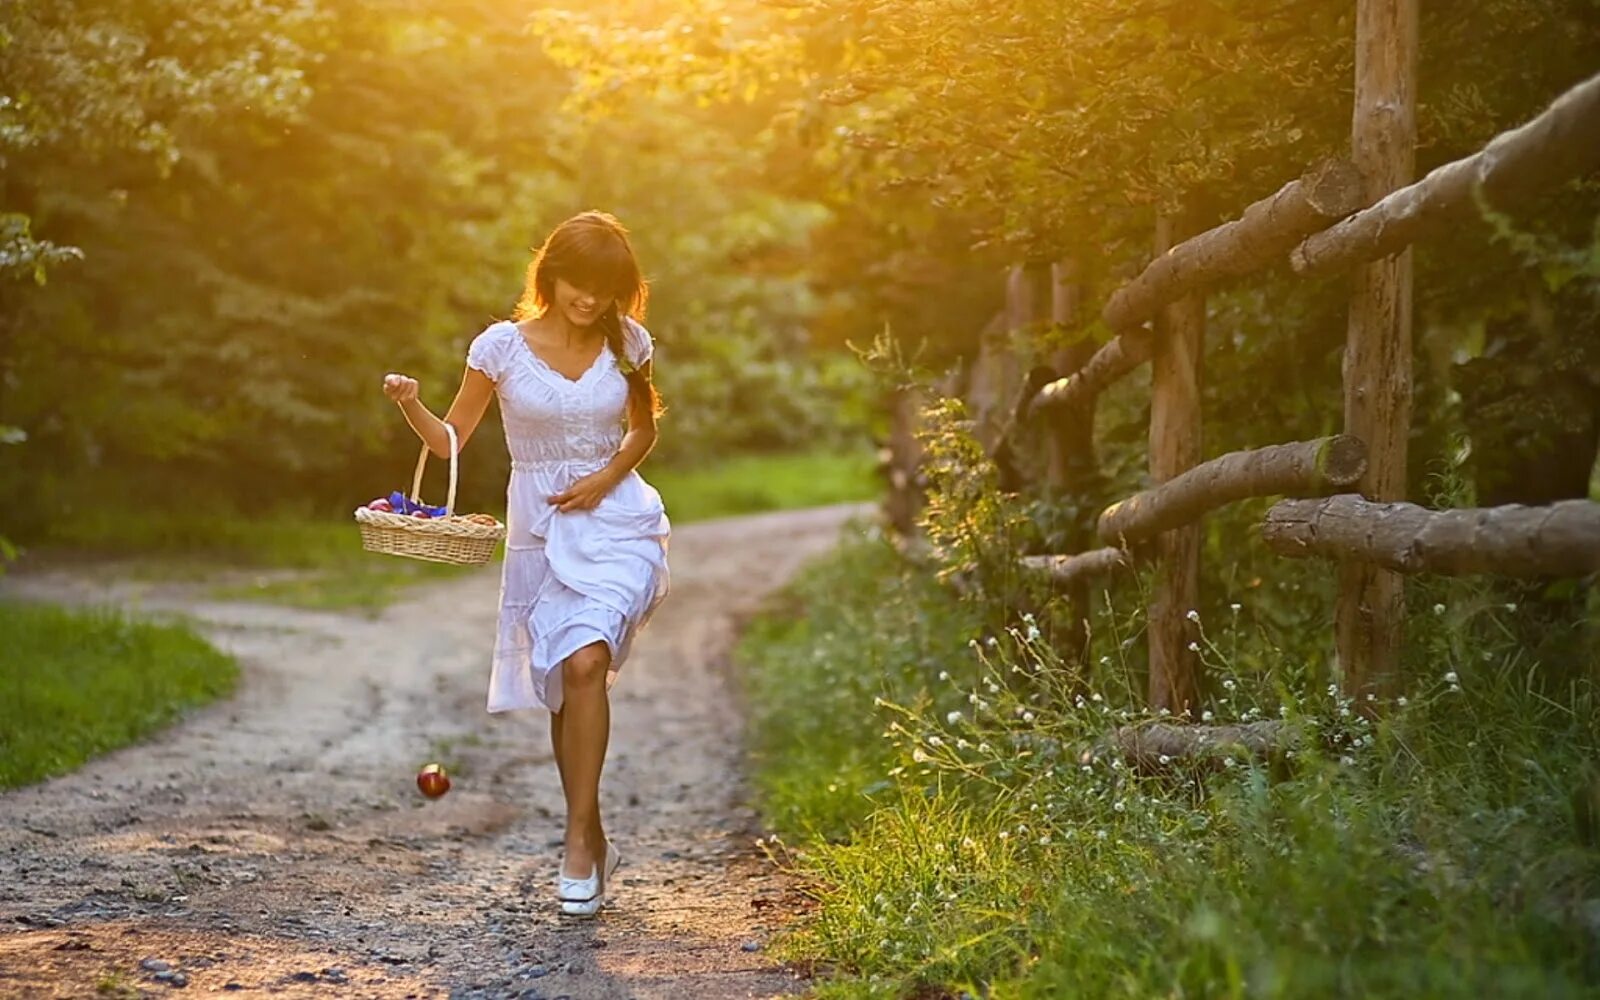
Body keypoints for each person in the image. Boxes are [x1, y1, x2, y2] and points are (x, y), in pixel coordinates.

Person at [381, 211, 670, 917]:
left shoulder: (628, 341)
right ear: (552, 275)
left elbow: (643, 428)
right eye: (580, 284)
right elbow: (451, 442)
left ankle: (574, 841)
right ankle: (593, 831)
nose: (590, 300)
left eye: (606, 289)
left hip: (617, 521)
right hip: (540, 530)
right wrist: (413, 404)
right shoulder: (501, 347)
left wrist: (604, 479)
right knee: (563, 681)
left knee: (587, 662)